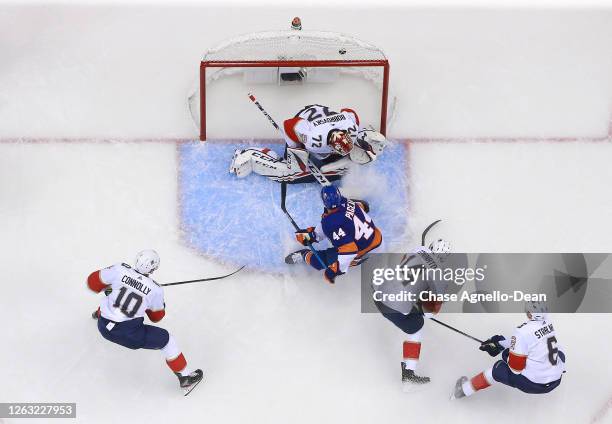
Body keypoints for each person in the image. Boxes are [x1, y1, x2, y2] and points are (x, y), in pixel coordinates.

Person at [88, 250, 203, 396]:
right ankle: (186, 378)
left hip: (103, 327)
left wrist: (110, 288)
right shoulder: (155, 289)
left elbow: (92, 283)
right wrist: (156, 302)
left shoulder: (118, 269)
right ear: (154, 269)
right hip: (131, 336)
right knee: (168, 341)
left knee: (110, 297)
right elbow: (156, 317)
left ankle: (98, 314)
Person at [229, 104, 387, 183]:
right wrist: (296, 149)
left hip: (322, 118)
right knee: (290, 173)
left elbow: (349, 112)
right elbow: (288, 125)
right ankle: (250, 155)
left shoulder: (351, 127)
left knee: (355, 158)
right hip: (302, 122)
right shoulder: (313, 139)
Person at [373, 239, 452, 387]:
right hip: (392, 308)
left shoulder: (418, 249)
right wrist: (422, 309)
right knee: (417, 327)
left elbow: (403, 263)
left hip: (378, 292)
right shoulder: (440, 274)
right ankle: (408, 375)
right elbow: (433, 310)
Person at [451, 300, 566, 399]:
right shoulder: (548, 322)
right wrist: (500, 343)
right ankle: (553, 369)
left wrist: (501, 350)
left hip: (534, 384)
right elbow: (531, 340)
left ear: (530, 314)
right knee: (556, 350)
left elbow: (516, 369)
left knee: (498, 368)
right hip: (556, 378)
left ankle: (462, 391)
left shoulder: (522, 332)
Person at [285, 185, 382, 283]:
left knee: (318, 262)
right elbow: (330, 225)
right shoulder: (348, 202)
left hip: (362, 250)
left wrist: (336, 270)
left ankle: (304, 255)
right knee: (345, 222)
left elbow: (350, 250)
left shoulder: (331, 223)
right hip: (377, 237)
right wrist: (311, 236)